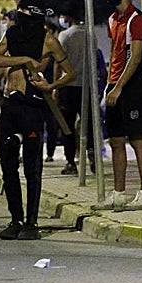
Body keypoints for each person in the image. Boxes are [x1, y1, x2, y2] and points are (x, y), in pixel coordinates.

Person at [0, 0, 75, 239]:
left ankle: (31, 223)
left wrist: (51, 86)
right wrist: (24, 58)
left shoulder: (49, 40)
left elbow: (70, 72)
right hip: (10, 105)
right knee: (8, 165)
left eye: (25, 12)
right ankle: (15, 219)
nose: (21, 16)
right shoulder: (12, 34)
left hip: (33, 105)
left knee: (32, 167)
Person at [93, 0, 142, 212]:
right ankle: (119, 193)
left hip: (132, 87)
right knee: (116, 139)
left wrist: (119, 87)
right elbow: (116, 53)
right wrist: (110, 83)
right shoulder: (113, 20)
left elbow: (136, 57)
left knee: (137, 138)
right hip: (115, 85)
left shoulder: (136, 19)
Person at [53, 11, 94, 175]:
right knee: (89, 124)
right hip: (87, 86)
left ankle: (70, 162)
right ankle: (92, 154)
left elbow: (58, 61)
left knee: (67, 126)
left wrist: (55, 85)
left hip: (68, 86)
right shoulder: (90, 35)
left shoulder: (65, 35)